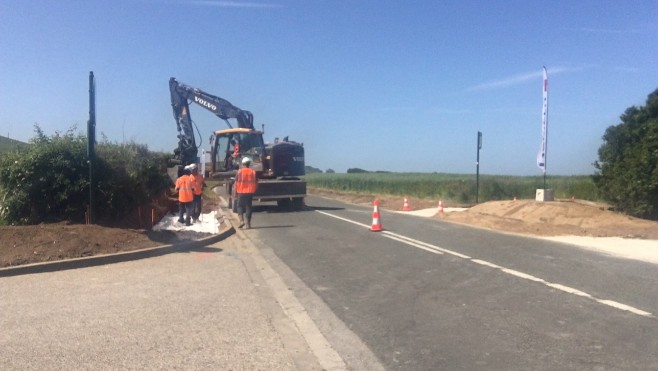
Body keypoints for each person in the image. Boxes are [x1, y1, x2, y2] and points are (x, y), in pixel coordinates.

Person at [235, 156, 257, 229]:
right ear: (249, 164)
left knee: (239, 206)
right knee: (248, 207)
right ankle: (248, 224)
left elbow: (236, 182)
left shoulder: (239, 171)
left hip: (241, 192)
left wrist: (235, 192)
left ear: (243, 164)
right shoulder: (253, 172)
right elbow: (256, 182)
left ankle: (241, 221)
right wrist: (254, 190)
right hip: (250, 192)